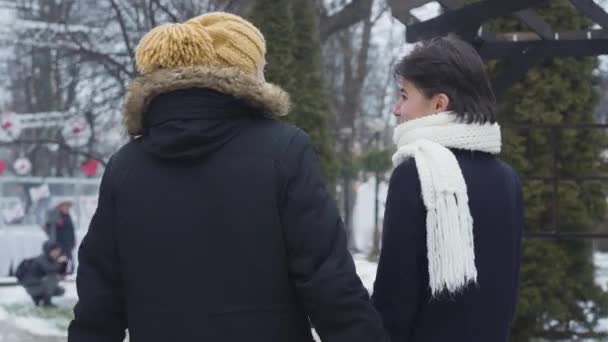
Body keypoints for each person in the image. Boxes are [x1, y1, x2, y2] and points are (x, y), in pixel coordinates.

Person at [68, 12, 387, 342]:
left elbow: (99, 300)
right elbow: (327, 280)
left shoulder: (126, 166)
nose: (266, 75)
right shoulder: (285, 150)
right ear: (243, 74)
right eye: (261, 67)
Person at [372, 36, 524, 342]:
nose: (396, 109)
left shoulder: (415, 175)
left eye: (404, 95)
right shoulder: (508, 179)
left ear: (439, 104)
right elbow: (505, 292)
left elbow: (395, 294)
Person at [17, 240, 67, 307]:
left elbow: (61, 273)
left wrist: (63, 264)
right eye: (55, 251)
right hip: (32, 287)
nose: (57, 253)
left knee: (60, 291)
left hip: (37, 285)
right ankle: (47, 303)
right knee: (52, 278)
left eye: (58, 250)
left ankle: (38, 299)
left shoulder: (51, 259)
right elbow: (50, 270)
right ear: (49, 250)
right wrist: (60, 263)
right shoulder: (42, 259)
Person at [45, 199, 76, 271]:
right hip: (59, 243)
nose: (67, 208)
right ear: (60, 207)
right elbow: (49, 228)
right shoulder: (55, 214)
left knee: (69, 261)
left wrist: (73, 241)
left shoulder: (68, 216)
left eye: (68, 206)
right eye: (65, 206)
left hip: (68, 244)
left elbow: (71, 230)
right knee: (60, 261)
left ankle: (69, 272)